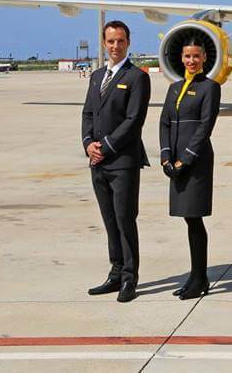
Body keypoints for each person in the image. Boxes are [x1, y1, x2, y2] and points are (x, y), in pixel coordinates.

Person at [81, 20, 151, 303]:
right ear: (103, 43)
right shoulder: (97, 76)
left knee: (125, 219)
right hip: (97, 162)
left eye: (120, 41)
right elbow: (87, 114)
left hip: (123, 161)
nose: (115, 46)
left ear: (128, 43)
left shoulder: (137, 77)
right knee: (109, 220)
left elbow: (134, 121)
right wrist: (88, 145)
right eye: (110, 41)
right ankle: (115, 271)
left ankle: (130, 278)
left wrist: (106, 147)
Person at [158, 38, 221, 300]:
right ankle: (195, 276)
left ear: (204, 57)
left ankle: (200, 277)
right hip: (175, 163)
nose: (192, 61)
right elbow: (165, 123)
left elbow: (205, 126)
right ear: (181, 59)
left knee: (195, 219)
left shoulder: (210, 87)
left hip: (195, 163)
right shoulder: (174, 88)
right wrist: (165, 157)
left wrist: (185, 159)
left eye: (196, 56)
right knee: (187, 218)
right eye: (187, 57)